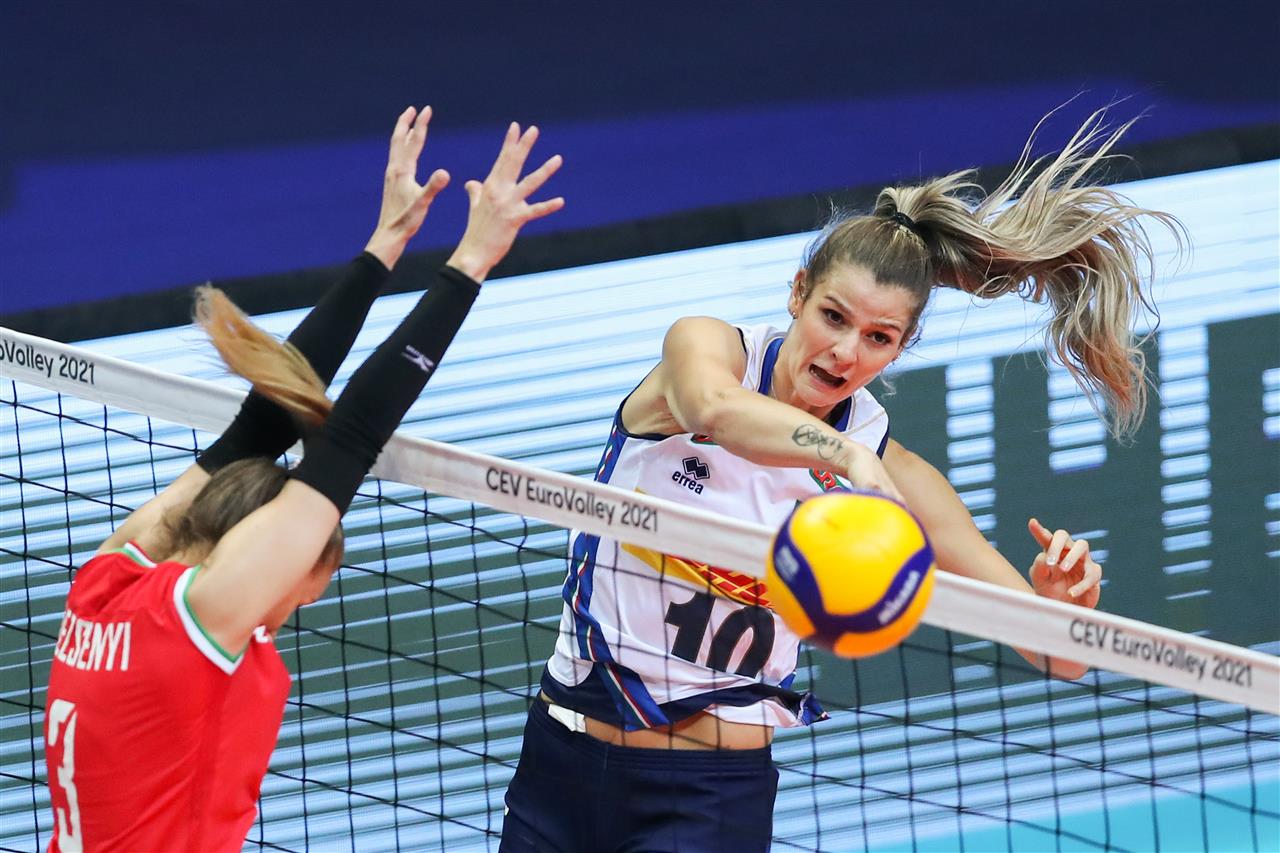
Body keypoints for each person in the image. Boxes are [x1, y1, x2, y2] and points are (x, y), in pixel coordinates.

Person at [499, 110, 1184, 852]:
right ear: (798, 293)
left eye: (878, 337)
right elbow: (715, 411)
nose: (846, 351)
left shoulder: (899, 475)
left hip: (706, 799)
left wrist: (1058, 608)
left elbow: (1061, 657)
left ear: (900, 348)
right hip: (562, 762)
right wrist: (846, 456)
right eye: (833, 316)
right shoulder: (707, 352)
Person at [41, 107, 563, 852]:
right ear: (304, 570)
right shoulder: (206, 614)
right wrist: (470, 262)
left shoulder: (106, 583)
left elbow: (259, 427)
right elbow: (351, 435)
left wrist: (385, 245)